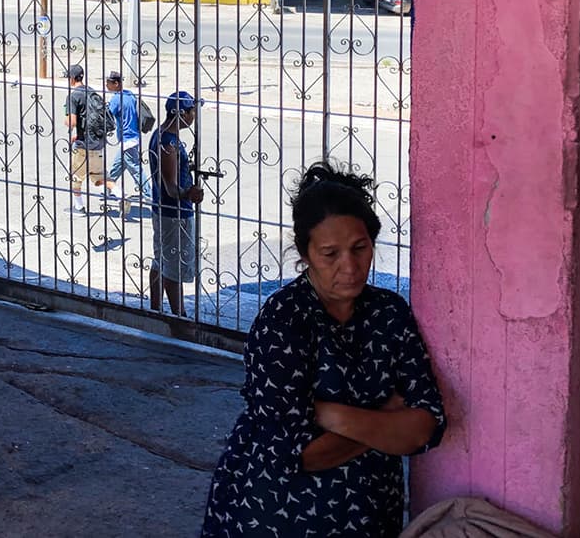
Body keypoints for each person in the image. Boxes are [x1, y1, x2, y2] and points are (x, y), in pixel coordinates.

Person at [201, 162, 447, 538]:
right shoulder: (283, 321)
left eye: (360, 248)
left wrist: (329, 415)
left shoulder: (389, 312)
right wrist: (386, 418)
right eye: (330, 254)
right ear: (305, 253)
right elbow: (297, 455)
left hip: (369, 512)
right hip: (277, 514)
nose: (349, 266)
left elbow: (425, 429)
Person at [148, 91, 203, 315]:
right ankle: (179, 316)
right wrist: (189, 193)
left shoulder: (160, 135)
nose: (193, 116)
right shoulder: (168, 143)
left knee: (161, 259)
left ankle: (155, 308)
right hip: (174, 213)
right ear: (181, 113)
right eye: (191, 111)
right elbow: (170, 187)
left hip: (162, 209)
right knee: (174, 267)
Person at [64, 64, 113, 213]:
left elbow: (71, 122)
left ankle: (79, 207)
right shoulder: (91, 92)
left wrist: (66, 119)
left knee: (75, 177)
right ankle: (120, 194)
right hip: (97, 142)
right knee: (100, 177)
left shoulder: (73, 96)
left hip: (83, 145)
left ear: (72, 79)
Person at [105, 71, 152, 216]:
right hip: (133, 137)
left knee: (135, 168)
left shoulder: (116, 99)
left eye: (109, 83)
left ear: (116, 83)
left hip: (127, 140)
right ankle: (108, 188)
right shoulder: (129, 95)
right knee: (118, 165)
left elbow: (107, 117)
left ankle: (149, 194)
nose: (107, 85)